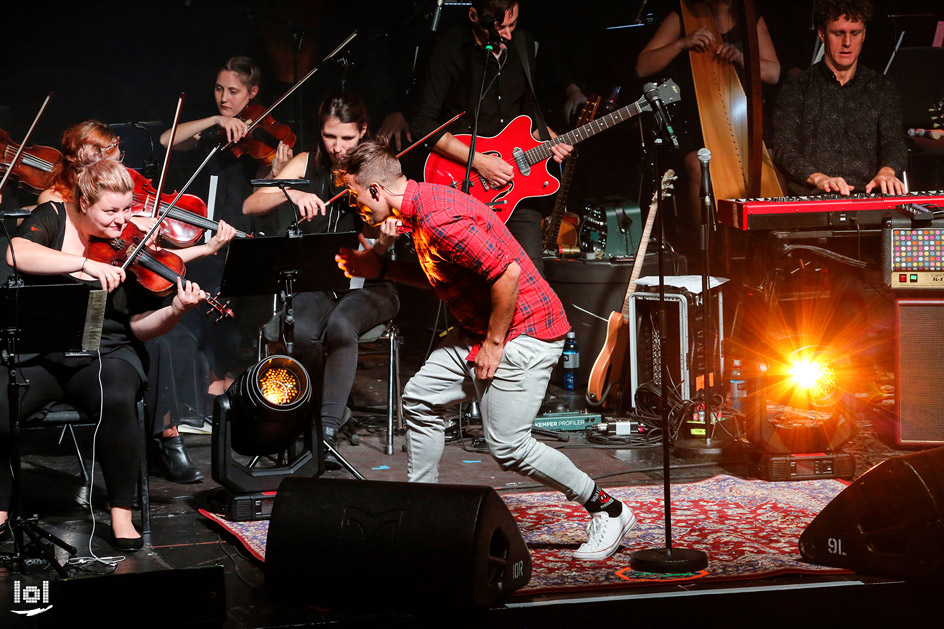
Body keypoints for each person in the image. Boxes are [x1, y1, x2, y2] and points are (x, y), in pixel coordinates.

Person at [335, 140, 635, 561]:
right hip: (481, 328)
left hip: (525, 331)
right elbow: (445, 277)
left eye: (355, 196)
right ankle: (423, 516)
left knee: (509, 448)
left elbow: (506, 272)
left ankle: (609, 509)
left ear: (376, 191)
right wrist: (381, 267)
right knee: (420, 398)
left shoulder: (439, 218)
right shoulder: (418, 211)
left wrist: (494, 345)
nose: (357, 206)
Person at [0, 149, 208, 550]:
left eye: (127, 209)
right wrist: (86, 266)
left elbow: (139, 328)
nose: (122, 221)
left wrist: (176, 310)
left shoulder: (127, 245)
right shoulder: (54, 218)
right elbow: (16, 253)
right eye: (111, 211)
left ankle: (121, 514)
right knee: (0, 402)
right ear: (83, 203)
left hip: (106, 352)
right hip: (40, 352)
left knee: (117, 399)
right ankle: (1, 508)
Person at [38, 119, 236, 484]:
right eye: (106, 152)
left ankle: (166, 434)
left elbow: (145, 262)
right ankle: (163, 439)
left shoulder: (117, 203)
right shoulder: (58, 202)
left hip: (126, 296)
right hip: (88, 313)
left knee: (179, 338)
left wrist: (204, 247)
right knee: (159, 343)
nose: (116, 159)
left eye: (114, 151)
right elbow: (90, 258)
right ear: (82, 157)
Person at [243, 93, 400, 447]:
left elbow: (379, 240)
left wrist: (385, 240)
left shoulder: (375, 168)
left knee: (342, 327)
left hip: (369, 285)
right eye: (331, 137)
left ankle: (325, 429)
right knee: (302, 329)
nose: (338, 147)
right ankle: (316, 410)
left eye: (347, 138)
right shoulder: (305, 162)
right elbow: (251, 204)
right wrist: (290, 192)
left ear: (363, 131)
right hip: (316, 281)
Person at [409, 0, 572, 274]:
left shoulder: (521, 43)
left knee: (532, 277)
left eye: (513, 24)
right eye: (499, 27)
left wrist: (546, 136)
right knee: (473, 280)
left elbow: (528, 113)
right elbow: (422, 123)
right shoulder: (450, 48)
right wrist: (479, 162)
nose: (508, 34)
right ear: (474, 15)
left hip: (516, 182)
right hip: (465, 182)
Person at [637, 0, 780, 256]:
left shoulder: (749, 19)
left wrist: (742, 58)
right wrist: (682, 43)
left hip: (741, 116)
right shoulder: (682, 15)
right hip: (693, 116)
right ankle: (704, 250)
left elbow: (773, 72)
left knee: (771, 173)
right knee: (697, 167)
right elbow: (643, 65)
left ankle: (762, 248)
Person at [771, 0, 907, 196]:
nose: (847, 43)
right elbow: (784, 150)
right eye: (838, 33)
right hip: (814, 200)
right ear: (822, 34)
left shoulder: (881, 87)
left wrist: (887, 171)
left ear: (864, 34)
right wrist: (818, 178)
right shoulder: (797, 87)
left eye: (855, 33)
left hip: (869, 198)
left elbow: (894, 143)